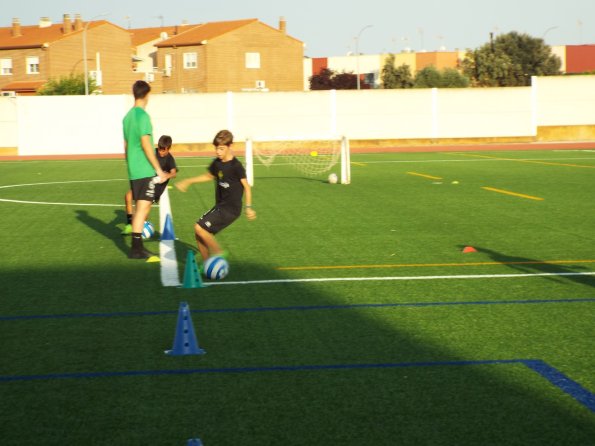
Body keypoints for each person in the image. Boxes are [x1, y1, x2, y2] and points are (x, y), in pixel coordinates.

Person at [175, 129, 256, 266]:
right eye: (216, 148)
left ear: (230, 146)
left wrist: (249, 207)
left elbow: (247, 187)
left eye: (221, 148)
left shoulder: (236, 166)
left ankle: (218, 252)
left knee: (199, 228)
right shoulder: (217, 163)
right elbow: (209, 176)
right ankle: (207, 264)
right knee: (199, 234)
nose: (218, 151)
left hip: (231, 209)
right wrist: (188, 181)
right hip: (220, 206)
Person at [122, 80, 167, 260]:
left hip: (134, 168)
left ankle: (137, 247)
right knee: (143, 207)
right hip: (144, 169)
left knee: (141, 207)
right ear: (147, 95)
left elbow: (125, 145)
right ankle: (136, 248)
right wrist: (158, 169)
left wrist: (129, 164)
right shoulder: (143, 116)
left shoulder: (127, 117)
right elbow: (146, 144)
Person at [122, 135, 178, 235]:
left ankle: (140, 230)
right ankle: (129, 224)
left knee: (142, 215)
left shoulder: (170, 159)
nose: (161, 152)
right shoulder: (153, 152)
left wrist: (166, 175)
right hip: (144, 183)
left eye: (163, 150)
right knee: (128, 196)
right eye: (160, 149)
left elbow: (174, 173)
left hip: (155, 190)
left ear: (169, 148)